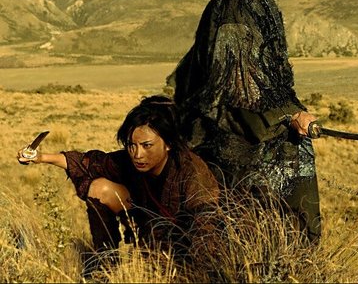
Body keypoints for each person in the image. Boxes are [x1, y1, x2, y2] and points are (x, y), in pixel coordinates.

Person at [170, 0, 322, 241]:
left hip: (245, 122)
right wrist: (290, 114)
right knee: (276, 225)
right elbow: (241, 77)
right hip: (241, 129)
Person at [17, 95, 220, 263]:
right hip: (145, 228)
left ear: (168, 144)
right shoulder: (129, 160)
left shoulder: (191, 171)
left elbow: (206, 226)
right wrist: (40, 157)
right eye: (132, 145)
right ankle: (105, 262)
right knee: (98, 188)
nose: (137, 154)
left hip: (181, 245)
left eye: (147, 146)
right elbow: (88, 162)